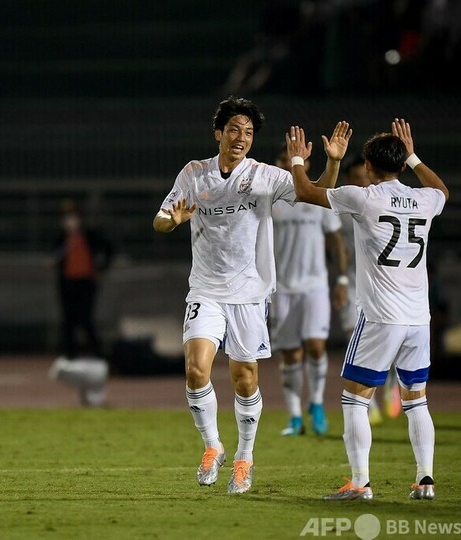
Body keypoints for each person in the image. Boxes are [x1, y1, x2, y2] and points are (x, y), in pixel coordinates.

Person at [152, 95, 351, 494]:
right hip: (206, 288)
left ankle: (244, 457)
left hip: (249, 293)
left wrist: (332, 162)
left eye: (248, 132)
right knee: (195, 370)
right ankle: (213, 446)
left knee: (244, 380)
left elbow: (316, 193)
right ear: (218, 133)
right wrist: (171, 221)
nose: (241, 137)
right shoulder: (194, 173)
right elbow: (160, 220)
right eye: (234, 130)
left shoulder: (265, 176)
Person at [286, 118, 448, 501]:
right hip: (417, 319)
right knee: (416, 400)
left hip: (381, 317)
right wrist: (413, 156)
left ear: (369, 168)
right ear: (400, 163)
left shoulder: (364, 197)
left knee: (355, 399)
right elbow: (441, 189)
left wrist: (298, 160)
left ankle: (360, 483)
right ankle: (425, 480)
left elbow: (306, 192)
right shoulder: (425, 200)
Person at [270, 143, 348, 437]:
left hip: (315, 284)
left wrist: (341, 280)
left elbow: (337, 241)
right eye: (282, 160)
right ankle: (293, 416)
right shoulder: (271, 200)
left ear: (305, 164)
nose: (286, 165)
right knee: (290, 354)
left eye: (291, 161)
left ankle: (315, 403)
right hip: (281, 287)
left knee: (316, 346)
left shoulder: (317, 197)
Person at [336, 154, 397, 424]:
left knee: (391, 342)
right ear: (349, 181)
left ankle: (392, 383)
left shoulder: (382, 203)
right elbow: (337, 246)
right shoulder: (341, 208)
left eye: (365, 177)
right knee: (354, 338)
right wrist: (341, 280)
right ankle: (366, 403)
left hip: (384, 286)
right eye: (357, 179)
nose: (363, 183)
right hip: (353, 283)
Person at [48, 199, 114, 407]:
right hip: (68, 284)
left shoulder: (89, 236)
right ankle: (71, 361)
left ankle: (99, 359)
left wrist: (100, 269)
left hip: (85, 283)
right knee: (69, 321)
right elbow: (54, 258)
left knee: (86, 320)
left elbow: (109, 249)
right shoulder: (62, 240)